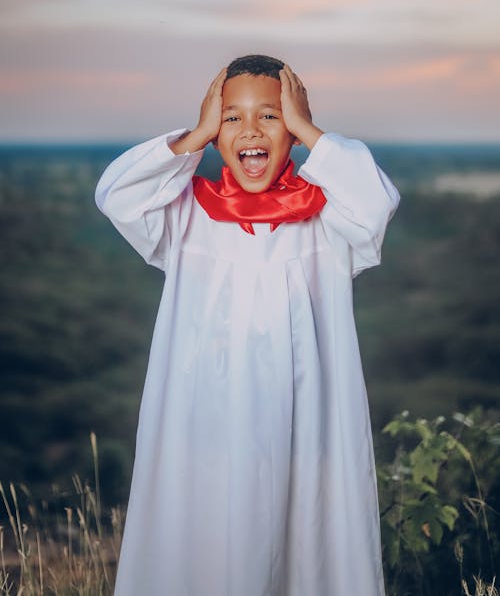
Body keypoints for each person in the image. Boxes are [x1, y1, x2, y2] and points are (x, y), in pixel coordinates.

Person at [95, 54, 401, 596]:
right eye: (232, 117)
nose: (251, 130)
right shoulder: (186, 217)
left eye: (272, 115)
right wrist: (195, 133)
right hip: (203, 434)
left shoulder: (327, 223)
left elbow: (376, 204)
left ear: (295, 130)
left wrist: (311, 129)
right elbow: (116, 195)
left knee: (301, 548)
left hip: (304, 436)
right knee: (205, 548)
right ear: (215, 133)